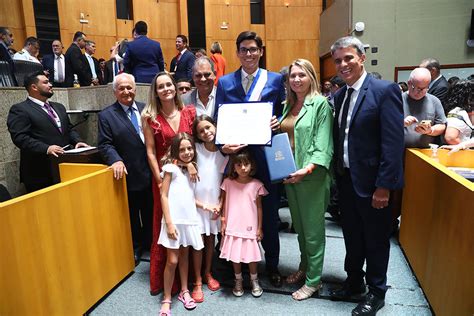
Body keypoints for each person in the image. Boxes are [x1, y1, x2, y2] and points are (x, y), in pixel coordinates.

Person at [329, 36, 404, 316]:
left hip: (374, 185)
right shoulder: (339, 96)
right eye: (338, 60)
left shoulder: (384, 91)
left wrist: (384, 186)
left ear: (361, 58)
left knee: (375, 239)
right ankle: (353, 282)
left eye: (348, 58)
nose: (343, 64)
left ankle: (376, 292)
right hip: (347, 181)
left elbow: (393, 144)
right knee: (352, 236)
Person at [215, 30, 285, 287]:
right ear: (237, 53)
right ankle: (237, 266)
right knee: (236, 213)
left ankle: (273, 264)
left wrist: (277, 123)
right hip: (236, 161)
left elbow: (281, 117)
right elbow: (218, 121)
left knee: (268, 212)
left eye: (253, 49)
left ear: (261, 51)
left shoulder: (275, 80)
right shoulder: (224, 83)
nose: (248, 54)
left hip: (264, 160)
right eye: (244, 50)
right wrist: (224, 147)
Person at [280, 59, 333, 300]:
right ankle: (304, 267)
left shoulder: (320, 104)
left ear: (311, 76)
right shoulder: (288, 104)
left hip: (311, 177)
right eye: (293, 76)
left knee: (313, 232)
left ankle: (314, 280)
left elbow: (323, 144)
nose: (297, 79)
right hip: (291, 176)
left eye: (302, 75)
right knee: (300, 229)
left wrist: (308, 169)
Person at [142, 71, 197, 295]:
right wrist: (157, 179)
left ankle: (191, 279)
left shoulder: (189, 112)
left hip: (187, 178)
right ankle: (165, 281)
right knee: (165, 222)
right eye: (161, 86)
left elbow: (194, 147)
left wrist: (192, 164)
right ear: (155, 92)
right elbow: (150, 152)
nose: (166, 89)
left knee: (188, 221)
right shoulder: (150, 118)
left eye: (169, 85)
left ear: (175, 88)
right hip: (164, 180)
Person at [97, 73, 153, 266]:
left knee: (151, 210)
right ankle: (136, 246)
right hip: (129, 172)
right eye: (121, 88)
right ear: (115, 92)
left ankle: (151, 244)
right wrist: (116, 160)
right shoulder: (106, 115)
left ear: (135, 89)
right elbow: (105, 144)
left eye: (129, 87)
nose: (126, 91)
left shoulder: (147, 109)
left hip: (152, 171)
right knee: (132, 212)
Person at [7, 71, 89, 192]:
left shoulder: (59, 107)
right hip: (39, 172)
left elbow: (69, 129)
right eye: (45, 82)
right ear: (34, 87)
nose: (50, 84)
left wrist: (77, 141)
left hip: (64, 166)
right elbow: (20, 138)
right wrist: (47, 148)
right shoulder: (20, 109)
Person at [158, 133, 204, 315]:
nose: (186, 152)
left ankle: (185, 290)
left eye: (190, 148)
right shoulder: (171, 168)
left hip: (188, 220)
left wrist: (206, 206)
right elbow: (164, 195)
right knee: (172, 260)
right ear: (176, 150)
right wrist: (169, 223)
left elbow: (190, 197)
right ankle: (166, 297)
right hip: (174, 221)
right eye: (182, 149)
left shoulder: (191, 170)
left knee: (185, 256)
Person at [220, 149, 267, 298]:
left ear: (252, 166)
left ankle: (254, 280)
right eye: (239, 165)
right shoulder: (227, 183)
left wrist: (259, 227)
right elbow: (223, 203)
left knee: (251, 256)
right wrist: (223, 222)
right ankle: (238, 280)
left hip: (250, 226)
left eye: (246, 164)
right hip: (233, 225)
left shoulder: (257, 184)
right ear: (233, 167)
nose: (243, 168)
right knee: (235, 256)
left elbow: (259, 208)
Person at [190, 114, 227, 303]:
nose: (206, 132)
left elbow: (224, 182)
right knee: (198, 244)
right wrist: (188, 163)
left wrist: (219, 205)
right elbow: (178, 157)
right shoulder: (195, 150)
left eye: (208, 127)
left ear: (215, 126)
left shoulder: (224, 152)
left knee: (210, 241)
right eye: (201, 131)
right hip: (197, 204)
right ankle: (196, 281)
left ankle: (207, 273)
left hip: (214, 205)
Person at [403, 68, 446, 148]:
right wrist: (400, 123)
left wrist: (430, 131)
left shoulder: (434, 101)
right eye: (415, 87)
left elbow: (441, 125)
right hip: (399, 151)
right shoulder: (397, 100)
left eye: (423, 89)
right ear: (409, 83)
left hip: (424, 152)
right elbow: (385, 124)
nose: (418, 92)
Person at [444, 79, 473, 145]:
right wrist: (467, 146)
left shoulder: (462, 111)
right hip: (461, 153)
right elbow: (450, 138)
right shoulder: (456, 112)